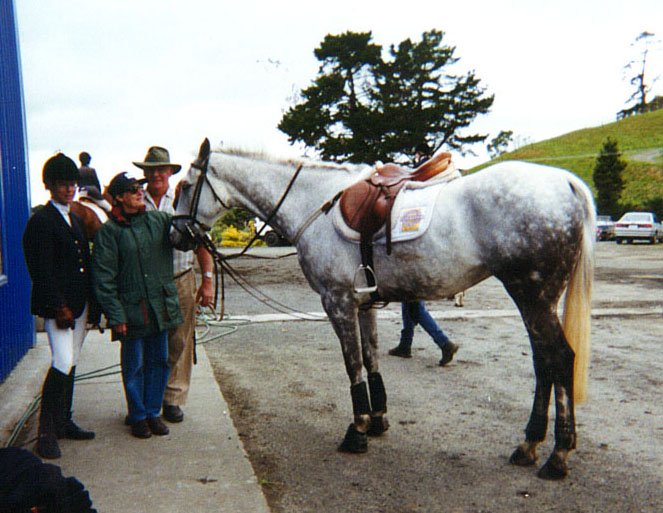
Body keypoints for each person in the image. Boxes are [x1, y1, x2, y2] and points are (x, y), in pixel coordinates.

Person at [91, 172, 183, 439]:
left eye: (140, 188)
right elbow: (103, 278)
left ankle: (154, 412)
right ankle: (138, 415)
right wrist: (115, 314)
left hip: (160, 308)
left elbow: (186, 231)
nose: (139, 192)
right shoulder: (109, 232)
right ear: (119, 197)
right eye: (132, 190)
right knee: (134, 366)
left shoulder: (159, 221)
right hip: (131, 312)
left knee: (160, 363)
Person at [22, 153, 96, 460]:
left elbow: (84, 263)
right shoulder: (40, 221)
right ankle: (45, 432)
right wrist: (58, 305)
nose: (68, 189)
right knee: (61, 361)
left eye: (72, 184)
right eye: (62, 184)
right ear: (49, 185)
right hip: (59, 307)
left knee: (72, 360)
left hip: (80, 304)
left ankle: (63, 421)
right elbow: (40, 269)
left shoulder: (75, 219)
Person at [132, 146, 214, 424]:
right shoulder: (134, 200)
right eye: (151, 169)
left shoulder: (183, 200)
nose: (156, 174)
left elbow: (201, 243)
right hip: (146, 286)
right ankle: (144, 403)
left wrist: (207, 281)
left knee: (179, 340)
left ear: (170, 172)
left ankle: (173, 399)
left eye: (161, 169)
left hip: (180, 280)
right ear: (144, 173)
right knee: (145, 345)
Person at [388, 142, 459, 366]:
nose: (417, 158)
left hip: (415, 249)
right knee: (408, 301)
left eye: (418, 155)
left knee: (414, 307)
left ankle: (444, 343)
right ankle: (406, 344)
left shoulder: (425, 175)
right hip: (417, 248)